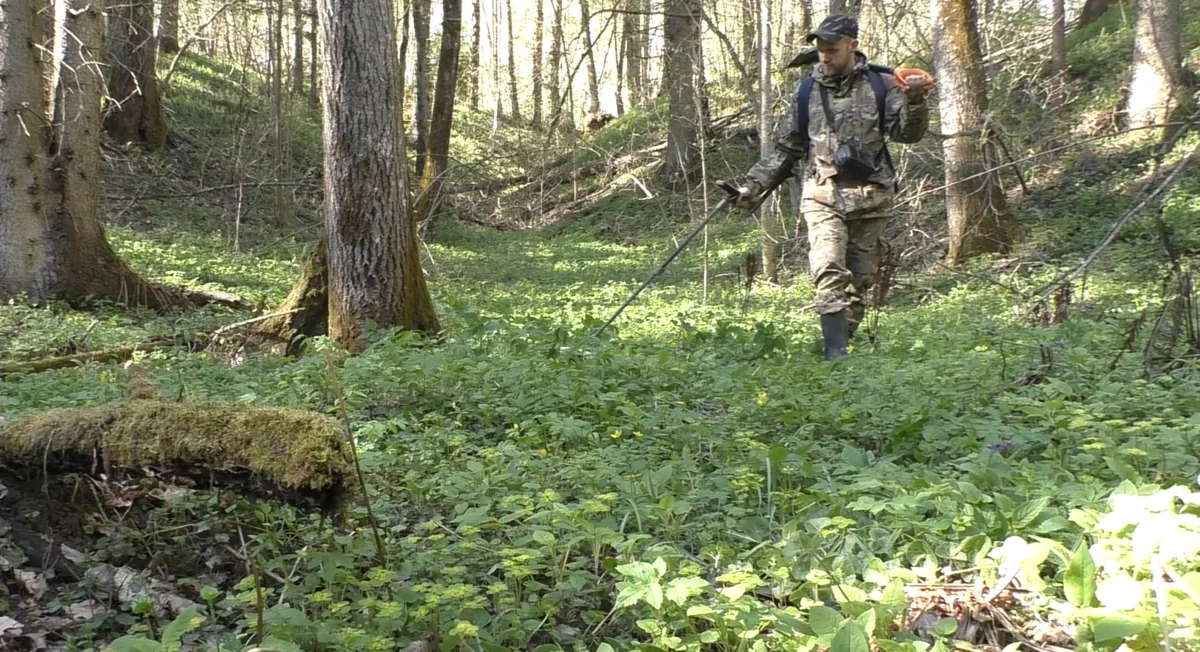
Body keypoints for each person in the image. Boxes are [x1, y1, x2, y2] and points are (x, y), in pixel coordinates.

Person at [735, 14, 932, 360]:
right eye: (821, 50)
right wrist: (754, 185)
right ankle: (833, 354)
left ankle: (844, 346)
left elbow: (908, 135)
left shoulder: (882, 84)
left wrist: (914, 102)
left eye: (832, 50)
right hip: (822, 195)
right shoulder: (807, 90)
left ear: (852, 47)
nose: (825, 57)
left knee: (858, 283)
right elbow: (789, 147)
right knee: (828, 269)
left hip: (872, 197)